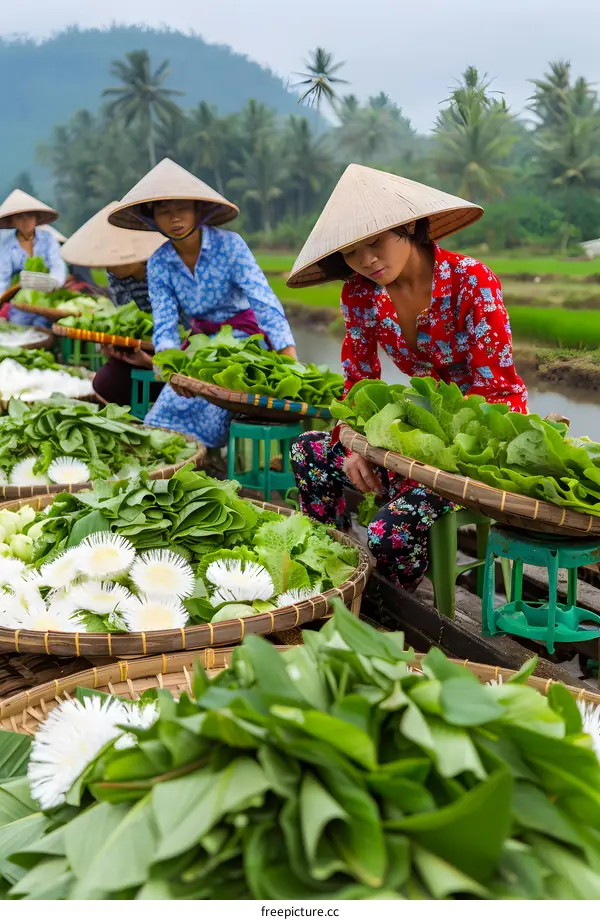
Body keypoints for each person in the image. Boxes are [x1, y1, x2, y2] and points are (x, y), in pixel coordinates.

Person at [287, 164, 528, 592]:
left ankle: (394, 606)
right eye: (351, 252)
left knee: (386, 531)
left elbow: (493, 394)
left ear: (410, 225)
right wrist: (354, 442)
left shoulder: (472, 282)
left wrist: (422, 458)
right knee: (308, 451)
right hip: (421, 432)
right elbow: (357, 382)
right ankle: (329, 570)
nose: (366, 261)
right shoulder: (359, 293)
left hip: (481, 445)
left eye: (375, 242)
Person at [108, 158, 296, 447]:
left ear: (198, 210)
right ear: (152, 218)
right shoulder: (159, 262)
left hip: (245, 346)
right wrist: (170, 369)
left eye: (182, 208)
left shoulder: (230, 245)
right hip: (198, 349)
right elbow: (165, 323)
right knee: (163, 416)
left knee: (214, 409)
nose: (175, 218)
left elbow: (263, 301)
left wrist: (288, 355)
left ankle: (207, 465)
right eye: (164, 211)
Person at [60, 202, 164, 405]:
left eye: (115, 254)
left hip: (174, 350)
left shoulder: (163, 271)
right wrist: (114, 347)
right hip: (138, 348)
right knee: (104, 383)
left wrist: (152, 361)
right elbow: (124, 318)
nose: (109, 262)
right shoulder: (116, 275)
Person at [0, 189, 67, 328]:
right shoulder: (6, 245)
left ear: (36, 219)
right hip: (19, 302)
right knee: (20, 329)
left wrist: (54, 283)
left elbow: (57, 265)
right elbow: (2, 278)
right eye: (20, 217)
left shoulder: (48, 239)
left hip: (46, 298)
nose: (26, 221)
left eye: (30, 216)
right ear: (13, 219)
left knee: (45, 329)